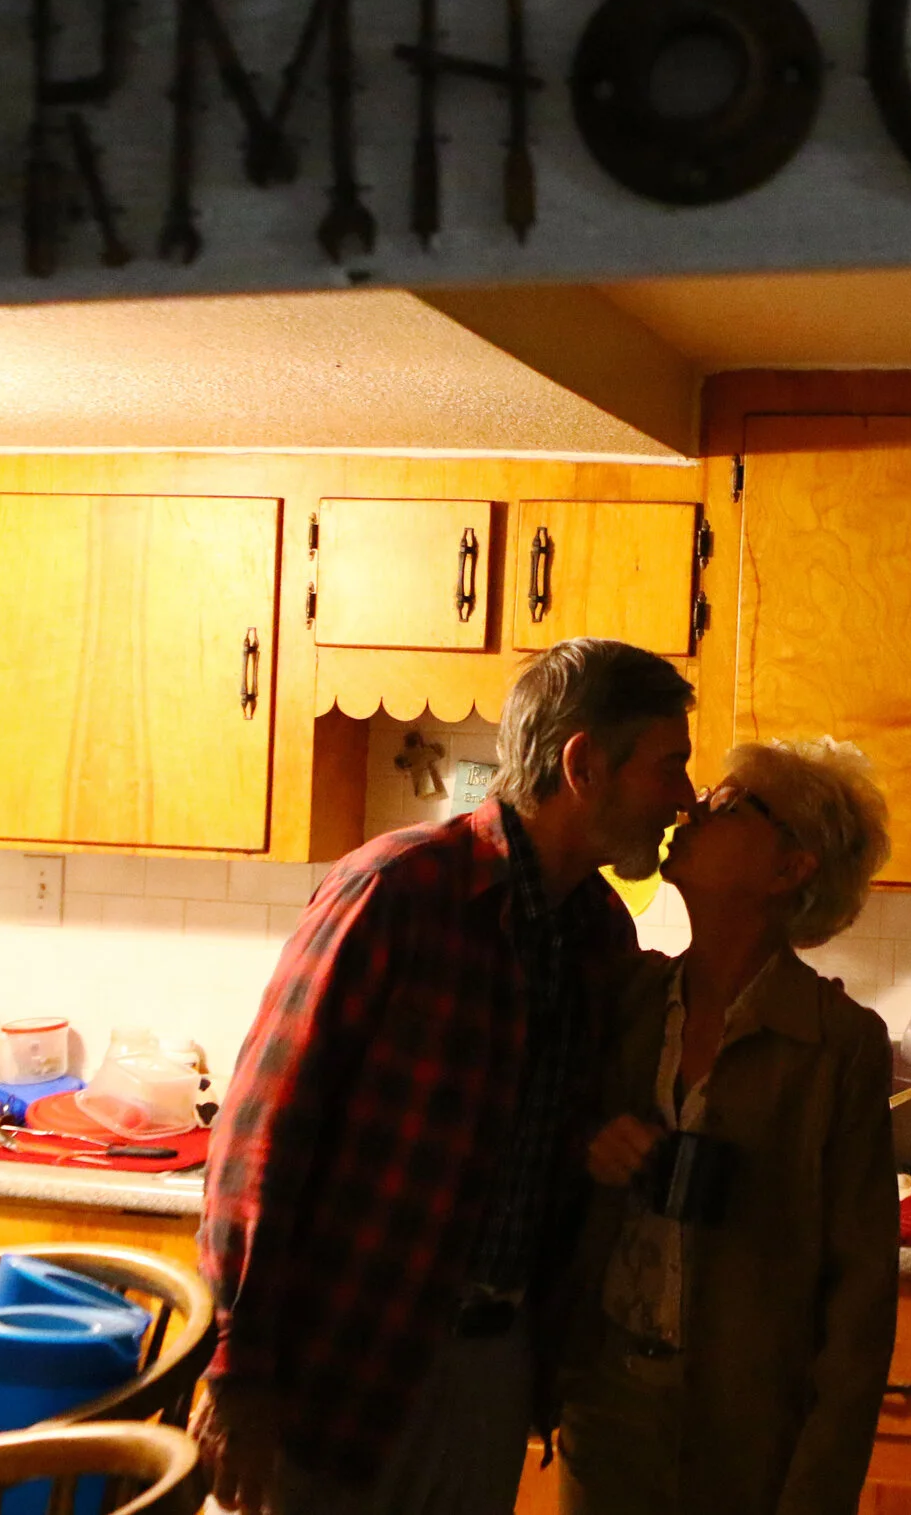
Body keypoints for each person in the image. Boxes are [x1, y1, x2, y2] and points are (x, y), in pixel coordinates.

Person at [193, 638, 697, 1515]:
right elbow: (259, 1139)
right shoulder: (396, 891)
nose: (685, 799)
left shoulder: (599, 935)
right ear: (584, 764)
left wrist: (594, 1140)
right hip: (342, 1358)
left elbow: (523, 1121)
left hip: (493, 1368)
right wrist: (238, 1368)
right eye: (670, 766)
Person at [559, 738, 901, 1515]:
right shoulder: (630, 999)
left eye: (728, 803)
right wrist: (590, 1144)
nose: (691, 808)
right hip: (607, 1411)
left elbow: (861, 1304)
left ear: (791, 868)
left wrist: (818, 1490)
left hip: (747, 1430)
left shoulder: (836, 1043)